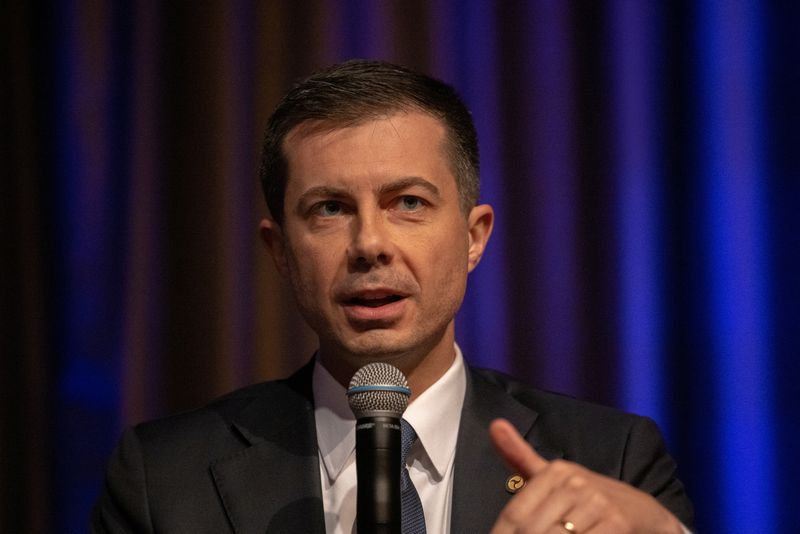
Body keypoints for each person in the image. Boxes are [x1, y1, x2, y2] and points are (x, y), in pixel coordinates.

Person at [93, 60, 694, 533]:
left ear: (473, 237)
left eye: (408, 202)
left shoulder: (608, 459)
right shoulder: (164, 477)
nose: (369, 244)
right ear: (279, 250)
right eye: (330, 209)